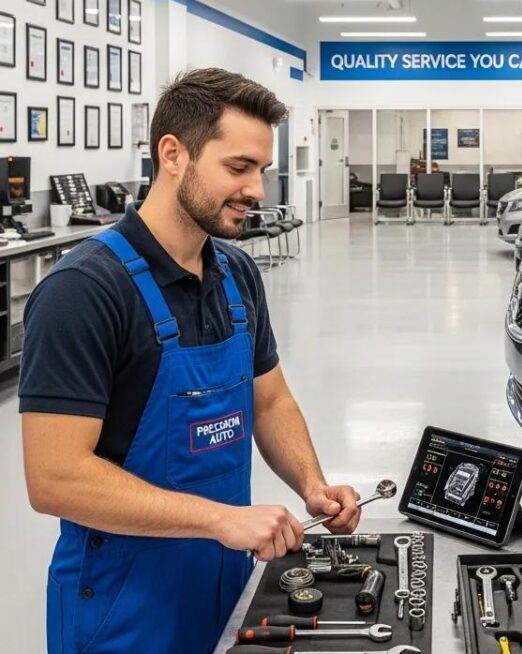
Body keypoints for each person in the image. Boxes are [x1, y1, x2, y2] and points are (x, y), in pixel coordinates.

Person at [19, 68, 360, 654]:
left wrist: (311, 485)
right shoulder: (84, 290)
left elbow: (270, 398)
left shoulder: (236, 274)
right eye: (238, 167)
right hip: (125, 609)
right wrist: (219, 519)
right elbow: (54, 478)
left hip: (228, 583)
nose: (258, 190)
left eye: (262, 171)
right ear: (173, 154)